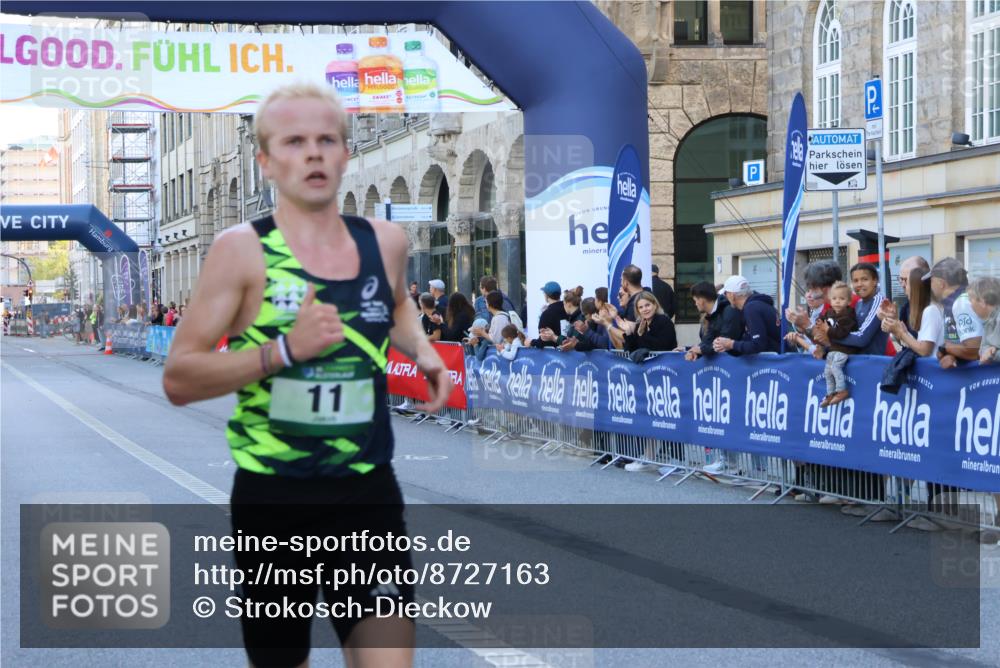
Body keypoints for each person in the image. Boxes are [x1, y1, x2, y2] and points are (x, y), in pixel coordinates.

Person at [162, 82, 452, 668]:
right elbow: (180, 378)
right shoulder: (240, 251)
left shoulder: (385, 241)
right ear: (265, 162)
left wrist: (422, 349)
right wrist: (283, 352)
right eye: (294, 141)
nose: (314, 153)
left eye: (327, 140)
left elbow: (394, 302)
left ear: (346, 153)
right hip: (274, 498)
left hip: (366, 493)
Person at [812, 263, 893, 356]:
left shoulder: (879, 302)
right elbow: (846, 332)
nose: (859, 284)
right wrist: (825, 348)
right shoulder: (859, 304)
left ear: (875, 281)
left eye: (865, 279)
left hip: (873, 363)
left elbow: (862, 338)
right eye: (855, 280)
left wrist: (829, 335)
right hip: (855, 361)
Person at [925, 257, 983, 369]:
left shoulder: (962, 303)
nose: (930, 286)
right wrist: (951, 356)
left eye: (931, 281)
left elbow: (973, 350)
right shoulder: (953, 302)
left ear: (941, 283)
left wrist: (945, 348)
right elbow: (962, 344)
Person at [811, 281, 859, 407]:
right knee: (827, 371)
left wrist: (827, 330)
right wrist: (819, 324)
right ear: (830, 300)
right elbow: (821, 320)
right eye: (834, 298)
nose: (837, 301)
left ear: (849, 301)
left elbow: (841, 333)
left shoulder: (848, 315)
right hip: (832, 349)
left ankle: (842, 390)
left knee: (835, 368)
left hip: (845, 350)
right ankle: (830, 393)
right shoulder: (830, 312)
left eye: (842, 299)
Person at [712, 275, 781, 355]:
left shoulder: (751, 308)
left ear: (732, 295)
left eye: (725, 293)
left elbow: (758, 345)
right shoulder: (759, 304)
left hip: (774, 363)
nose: (725, 297)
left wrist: (731, 344)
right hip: (779, 360)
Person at [881, 268, 942, 358]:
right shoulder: (930, 308)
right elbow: (917, 346)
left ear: (916, 287)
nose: (904, 286)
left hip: (933, 369)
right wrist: (896, 326)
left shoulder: (931, 310)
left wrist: (902, 333)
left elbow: (924, 351)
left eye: (906, 281)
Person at [682, 281, 743, 361]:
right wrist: (694, 352)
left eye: (695, 300)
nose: (695, 304)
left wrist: (701, 350)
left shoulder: (729, 310)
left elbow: (725, 342)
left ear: (702, 300)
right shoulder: (713, 313)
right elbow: (707, 341)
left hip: (739, 363)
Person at [968, 276, 1000, 364]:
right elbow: (983, 349)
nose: (970, 305)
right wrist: (988, 351)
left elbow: (989, 353)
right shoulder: (989, 320)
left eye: (971, 300)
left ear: (982, 302)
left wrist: (994, 354)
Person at [529, 280, 565, 348]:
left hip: (554, 355)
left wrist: (531, 342)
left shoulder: (547, 314)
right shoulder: (567, 309)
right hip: (570, 351)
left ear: (546, 295)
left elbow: (542, 340)